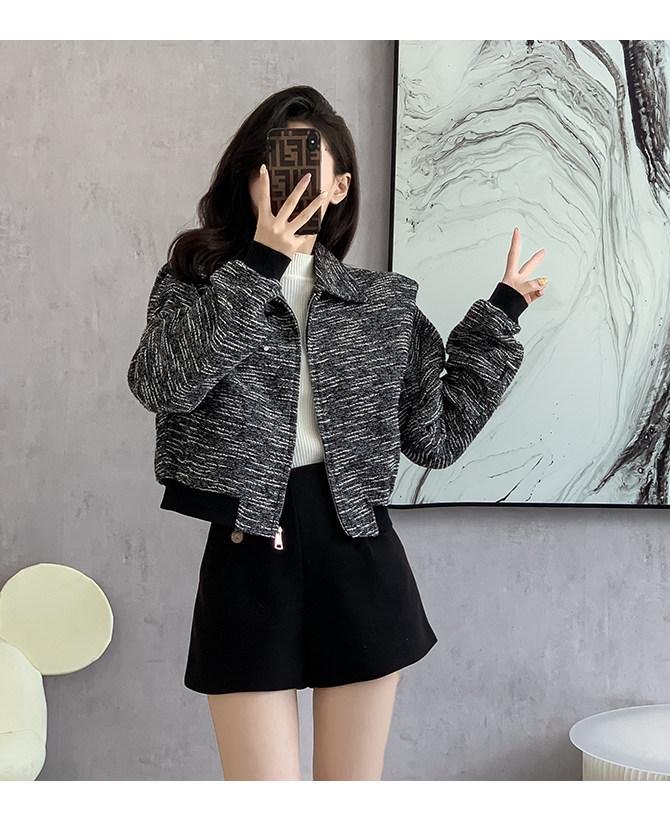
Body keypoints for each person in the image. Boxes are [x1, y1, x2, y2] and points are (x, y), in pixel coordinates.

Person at [127, 85, 547, 781]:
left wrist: (500, 315)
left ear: (340, 187)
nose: (287, 179)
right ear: (249, 176)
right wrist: (258, 264)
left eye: (305, 165)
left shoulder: (380, 305)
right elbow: (163, 386)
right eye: (272, 162)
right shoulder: (195, 285)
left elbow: (434, 440)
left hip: (357, 554)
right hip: (247, 554)